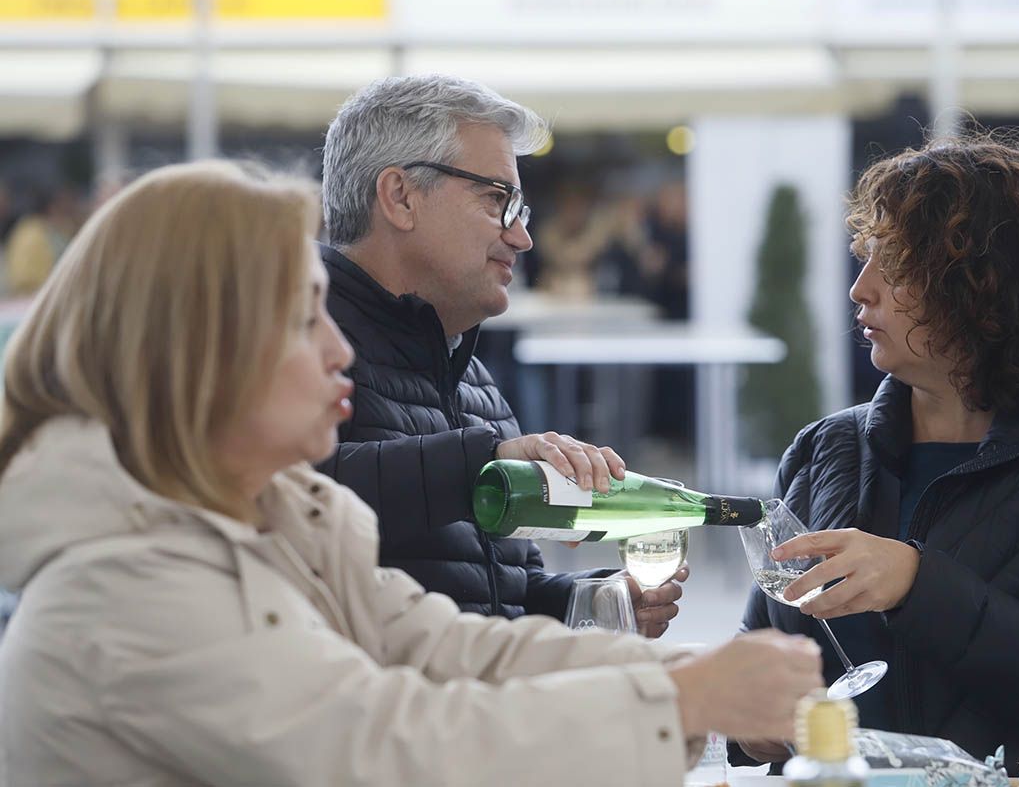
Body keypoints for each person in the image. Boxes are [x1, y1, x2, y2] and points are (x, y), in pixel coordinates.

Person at [0, 160, 826, 787]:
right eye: (300, 317)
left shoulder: (278, 517)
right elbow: (390, 739)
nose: (336, 348)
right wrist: (685, 703)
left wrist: (697, 687)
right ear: (196, 355)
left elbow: (445, 647)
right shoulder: (126, 585)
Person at [731, 135, 1019, 771]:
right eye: (864, 259)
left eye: (896, 264)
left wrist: (915, 583)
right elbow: (765, 652)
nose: (861, 289)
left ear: (984, 286)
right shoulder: (826, 448)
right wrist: (756, 722)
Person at [317, 75, 685, 634]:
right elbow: (289, 498)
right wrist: (484, 460)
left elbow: (505, 593)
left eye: (520, 210)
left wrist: (596, 602)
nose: (522, 238)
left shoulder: (472, 378)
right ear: (400, 197)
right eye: (496, 200)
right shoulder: (290, 346)